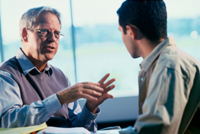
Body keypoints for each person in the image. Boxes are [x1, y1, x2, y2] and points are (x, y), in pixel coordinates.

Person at [0, 6, 115, 131]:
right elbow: (7, 120)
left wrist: (89, 108)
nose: (52, 39)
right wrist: (59, 99)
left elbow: (77, 128)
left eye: (57, 33)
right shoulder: (6, 74)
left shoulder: (61, 76)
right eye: (44, 31)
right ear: (25, 34)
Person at [117, 0, 200, 134]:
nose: (122, 38)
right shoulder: (165, 62)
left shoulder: (168, 67)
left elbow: (153, 130)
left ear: (131, 31)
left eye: (121, 31)